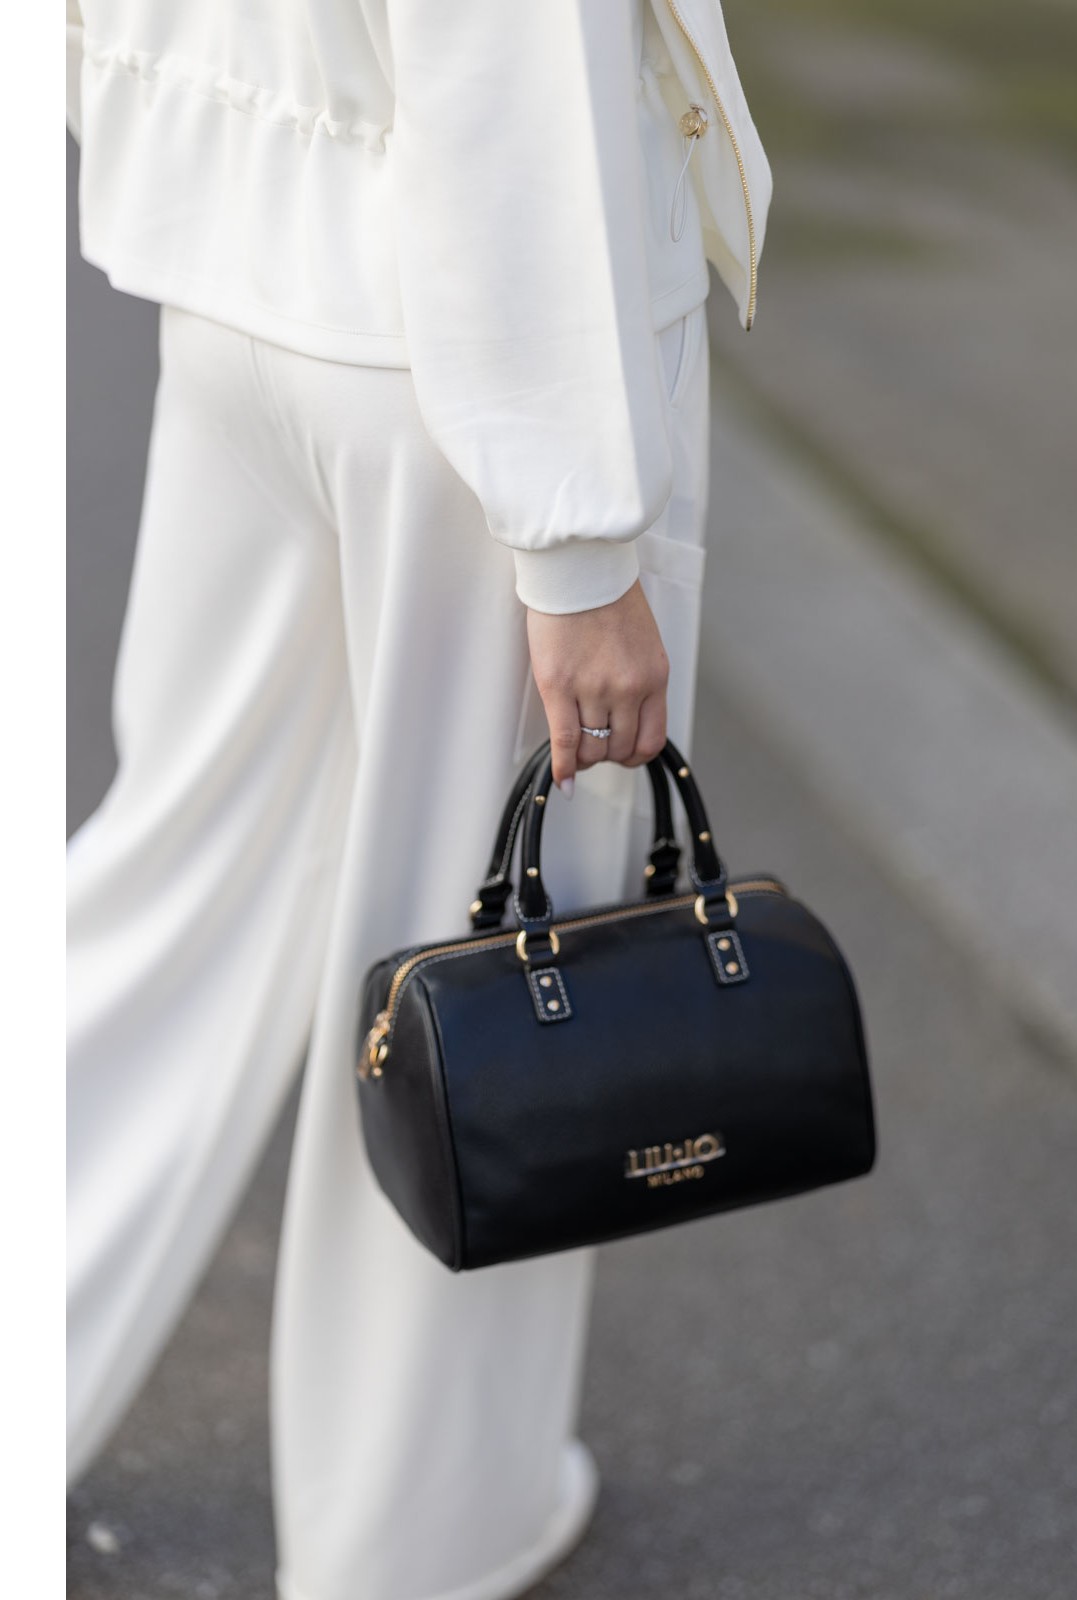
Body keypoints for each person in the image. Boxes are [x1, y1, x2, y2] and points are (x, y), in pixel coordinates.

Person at [65, 1, 770, 1595]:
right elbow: (514, 64)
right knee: (497, 977)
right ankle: (422, 1532)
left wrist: (163, 137)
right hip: (472, 361)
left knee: (177, 880)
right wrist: (578, 548)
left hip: (235, 272)